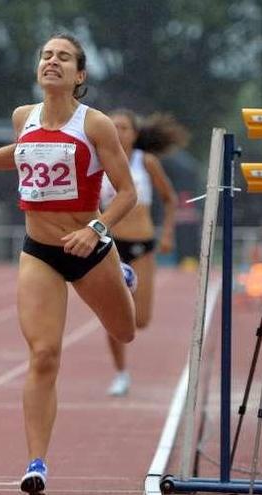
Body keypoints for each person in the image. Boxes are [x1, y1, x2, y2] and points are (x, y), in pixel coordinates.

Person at [0, 33, 136, 495]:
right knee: (44, 355)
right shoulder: (23, 117)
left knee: (124, 330)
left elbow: (127, 193)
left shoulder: (96, 125)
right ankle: (36, 463)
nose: (52, 62)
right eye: (46, 55)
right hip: (39, 252)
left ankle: (122, 275)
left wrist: (97, 231)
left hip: (90, 249)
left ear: (79, 75)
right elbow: (20, 157)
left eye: (64, 58)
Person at [99, 110, 187, 396]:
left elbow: (169, 198)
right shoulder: (98, 162)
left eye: (124, 127)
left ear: (135, 133)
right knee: (113, 317)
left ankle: (127, 296)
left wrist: (168, 233)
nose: (118, 131)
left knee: (141, 320)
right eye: (113, 127)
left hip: (142, 245)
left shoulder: (145, 162)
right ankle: (121, 374)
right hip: (110, 246)